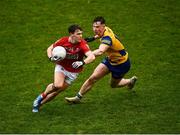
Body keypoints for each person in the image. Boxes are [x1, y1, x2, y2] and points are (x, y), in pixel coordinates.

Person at [65, 16, 137, 103]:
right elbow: (100, 34)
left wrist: (87, 54)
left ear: (103, 26)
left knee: (113, 85)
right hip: (110, 60)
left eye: (98, 27)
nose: (95, 29)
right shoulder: (105, 29)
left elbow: (100, 51)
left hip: (121, 64)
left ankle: (130, 81)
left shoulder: (107, 38)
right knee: (93, 78)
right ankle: (78, 98)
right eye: (94, 27)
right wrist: (94, 38)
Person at [32, 24, 95, 112]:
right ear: (71, 34)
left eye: (81, 34)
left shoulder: (82, 44)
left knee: (56, 92)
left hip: (73, 72)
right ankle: (41, 97)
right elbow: (49, 48)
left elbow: (91, 57)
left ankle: (39, 104)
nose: (81, 36)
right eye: (78, 34)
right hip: (62, 67)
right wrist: (51, 58)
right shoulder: (62, 41)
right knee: (57, 85)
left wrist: (82, 62)